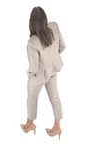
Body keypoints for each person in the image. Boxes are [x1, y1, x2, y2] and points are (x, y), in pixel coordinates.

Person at [20, 6, 65, 139]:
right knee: (55, 97)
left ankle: (30, 123)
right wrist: (52, 58)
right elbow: (62, 46)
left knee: (32, 97)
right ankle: (57, 126)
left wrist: (29, 74)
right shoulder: (54, 27)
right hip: (53, 70)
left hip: (39, 75)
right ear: (45, 20)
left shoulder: (32, 42)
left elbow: (33, 67)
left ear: (31, 23)